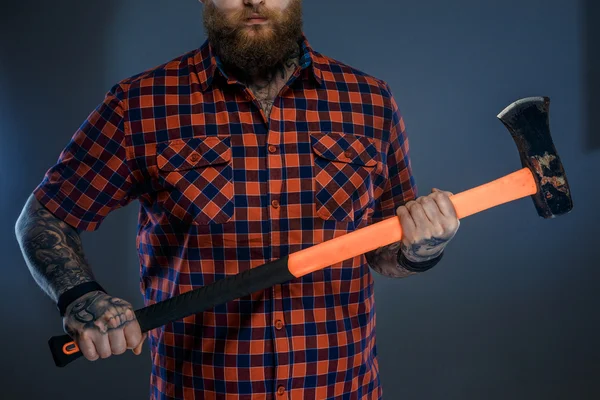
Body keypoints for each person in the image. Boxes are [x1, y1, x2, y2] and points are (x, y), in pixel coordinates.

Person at [14, 0, 460, 398]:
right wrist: (81, 296)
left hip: (343, 385)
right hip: (201, 388)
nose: (254, 1)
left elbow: (385, 251)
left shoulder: (370, 101)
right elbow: (44, 215)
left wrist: (425, 246)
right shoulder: (141, 104)